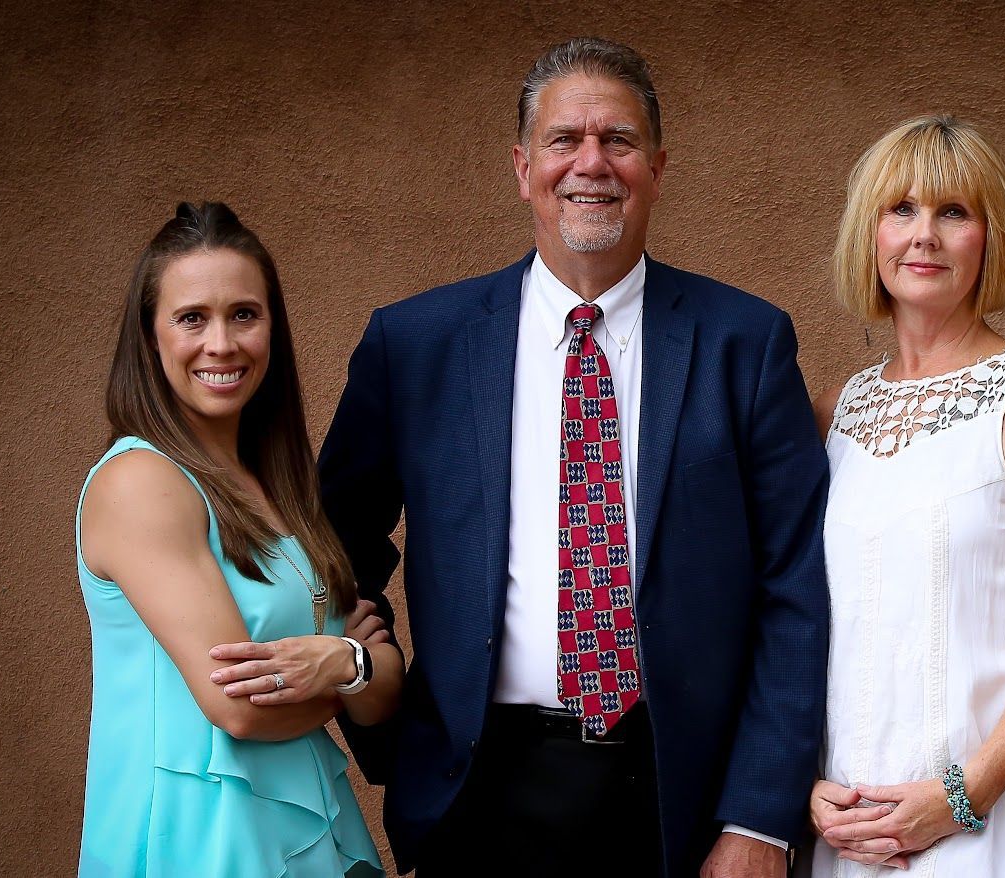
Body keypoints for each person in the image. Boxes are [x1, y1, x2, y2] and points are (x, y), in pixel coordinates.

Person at [318, 37, 830, 876]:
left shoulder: (746, 343)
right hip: (478, 796)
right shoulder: (415, 346)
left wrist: (759, 816)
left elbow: (796, 586)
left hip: (682, 802)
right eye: (565, 140)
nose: (591, 163)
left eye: (618, 140)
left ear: (656, 169)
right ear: (524, 168)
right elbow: (331, 545)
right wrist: (380, 700)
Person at [806, 115, 1005, 876]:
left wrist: (961, 795)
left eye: (953, 212)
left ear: (992, 238)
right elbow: (814, 630)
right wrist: (806, 784)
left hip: (989, 823)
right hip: (850, 828)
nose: (924, 234)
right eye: (901, 209)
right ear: (870, 235)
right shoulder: (833, 415)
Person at [76, 201, 400, 877]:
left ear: (272, 329)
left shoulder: (275, 485)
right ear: (150, 336)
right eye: (192, 318)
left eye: (244, 314)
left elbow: (380, 701)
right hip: (199, 836)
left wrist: (340, 664)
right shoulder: (142, 481)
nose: (221, 343)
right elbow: (241, 711)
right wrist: (349, 663)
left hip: (298, 826)